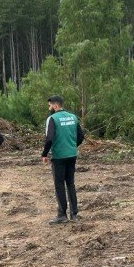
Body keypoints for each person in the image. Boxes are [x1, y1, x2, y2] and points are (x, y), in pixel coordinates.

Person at [41, 95, 84, 224]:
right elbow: (81, 136)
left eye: (49, 105)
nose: (49, 108)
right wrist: (72, 146)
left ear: (55, 105)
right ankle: (74, 214)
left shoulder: (52, 119)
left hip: (59, 156)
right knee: (70, 183)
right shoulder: (73, 117)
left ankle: (62, 214)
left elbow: (49, 138)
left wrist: (44, 154)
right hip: (72, 155)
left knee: (59, 184)